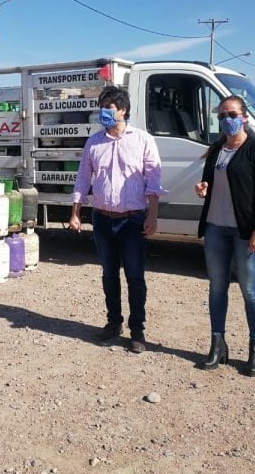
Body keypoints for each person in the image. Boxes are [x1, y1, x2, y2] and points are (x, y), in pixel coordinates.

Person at [69, 86, 166, 354]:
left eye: (109, 107)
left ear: (123, 110)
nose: (104, 112)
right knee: (109, 274)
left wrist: (153, 217)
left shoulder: (143, 140)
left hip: (133, 221)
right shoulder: (94, 142)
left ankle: (137, 330)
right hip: (102, 219)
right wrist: (75, 212)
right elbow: (82, 178)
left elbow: (154, 182)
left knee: (135, 276)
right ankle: (113, 323)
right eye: (103, 106)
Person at [194, 96, 255, 376]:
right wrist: (203, 188)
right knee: (217, 287)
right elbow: (208, 182)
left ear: (244, 117)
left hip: (246, 233)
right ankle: (218, 346)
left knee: (250, 291)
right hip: (216, 227)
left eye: (232, 114)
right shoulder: (217, 149)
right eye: (222, 115)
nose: (227, 119)